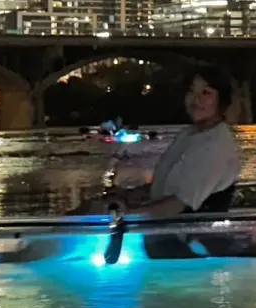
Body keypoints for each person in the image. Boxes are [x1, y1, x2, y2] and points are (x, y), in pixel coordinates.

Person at [86, 65, 242, 216]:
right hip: (168, 234)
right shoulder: (188, 133)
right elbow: (164, 186)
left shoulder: (215, 147)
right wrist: (128, 194)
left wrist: (129, 212)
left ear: (222, 101)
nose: (195, 99)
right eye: (191, 91)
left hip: (188, 238)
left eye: (206, 93)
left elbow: (177, 204)